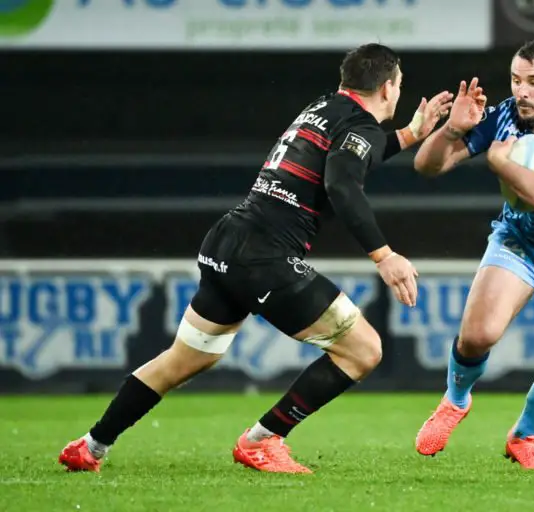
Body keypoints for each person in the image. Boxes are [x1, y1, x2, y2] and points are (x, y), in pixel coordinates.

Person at [58, 43, 453, 475]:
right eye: (399, 85)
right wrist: (384, 255)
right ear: (388, 88)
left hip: (228, 242)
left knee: (184, 359)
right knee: (363, 350)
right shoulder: (360, 125)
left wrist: (411, 134)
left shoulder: (323, 108)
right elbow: (342, 183)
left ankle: (90, 446)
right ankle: (261, 440)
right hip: (266, 256)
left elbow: (354, 156)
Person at [412, 40, 534, 470]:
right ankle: (455, 401)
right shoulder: (504, 115)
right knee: (477, 335)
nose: (522, 91)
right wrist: (451, 130)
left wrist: (503, 165)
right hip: (520, 240)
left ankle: (524, 436)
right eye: (516, 80)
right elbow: (427, 167)